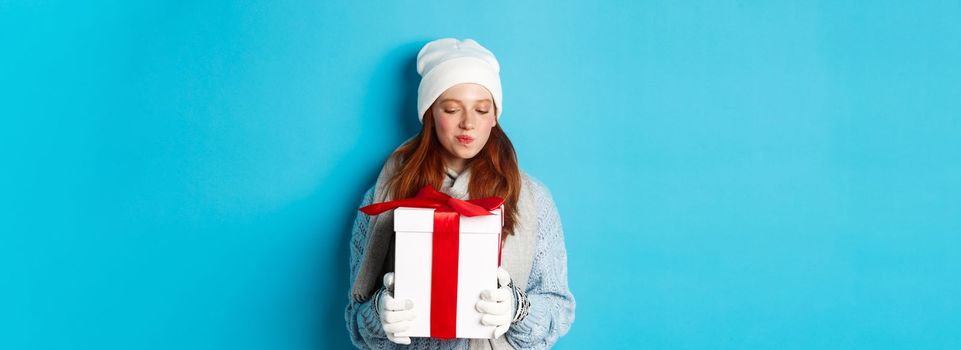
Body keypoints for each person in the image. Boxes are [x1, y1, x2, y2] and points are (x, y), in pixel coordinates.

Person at [345, 38, 575, 350]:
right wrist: (378, 313)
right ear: (430, 114)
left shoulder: (532, 198)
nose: (468, 122)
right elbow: (356, 320)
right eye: (452, 109)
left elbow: (558, 308)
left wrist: (516, 309)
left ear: (494, 116)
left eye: (482, 109)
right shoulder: (387, 193)